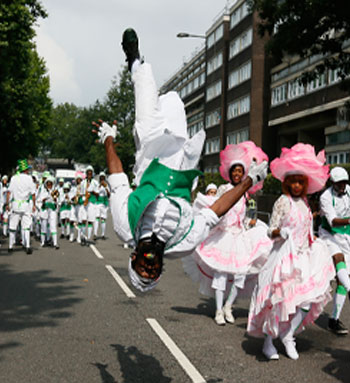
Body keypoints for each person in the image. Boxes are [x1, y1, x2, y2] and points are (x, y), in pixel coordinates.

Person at [95, 28, 268, 292]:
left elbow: (118, 180)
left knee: (146, 105)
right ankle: (141, 72)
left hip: (150, 157)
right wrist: (248, 182)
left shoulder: (125, 227)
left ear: (133, 258)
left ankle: (134, 63)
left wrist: (108, 139)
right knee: (174, 102)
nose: (150, 264)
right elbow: (215, 210)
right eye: (153, 271)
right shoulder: (184, 243)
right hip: (182, 160)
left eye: (143, 267)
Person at [247, 143, 335, 361]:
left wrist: (312, 241)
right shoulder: (282, 201)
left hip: (304, 257)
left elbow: (307, 229)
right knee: (278, 301)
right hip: (283, 259)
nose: (296, 185)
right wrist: (281, 232)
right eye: (293, 181)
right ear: (287, 183)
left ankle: (288, 336)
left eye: (300, 182)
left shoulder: (305, 203)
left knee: (308, 300)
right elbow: (270, 230)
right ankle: (268, 342)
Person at [184, 141, 272, 325]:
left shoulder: (246, 194)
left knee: (241, 273)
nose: (238, 174)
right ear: (230, 173)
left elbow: (246, 214)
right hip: (223, 236)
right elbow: (217, 207)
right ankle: (218, 310)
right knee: (221, 274)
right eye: (235, 171)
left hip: (239, 236)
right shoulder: (224, 189)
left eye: (241, 171)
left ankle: (228, 306)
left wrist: (250, 222)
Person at [318, 167, 350, 335]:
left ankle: (334, 320)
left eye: (344, 182)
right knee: (339, 259)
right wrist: (348, 220)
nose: (342, 185)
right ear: (333, 182)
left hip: (345, 237)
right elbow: (332, 221)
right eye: (339, 183)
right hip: (328, 235)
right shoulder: (325, 197)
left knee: (342, 280)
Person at [6, 159, 36, 254]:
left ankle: (10, 246)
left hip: (15, 204)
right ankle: (27, 246)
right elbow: (33, 193)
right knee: (26, 226)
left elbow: (9, 192)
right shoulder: (29, 179)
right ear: (26, 169)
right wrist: (34, 205)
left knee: (12, 226)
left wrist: (7, 204)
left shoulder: (14, 178)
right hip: (26, 205)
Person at [38, 176, 60, 249]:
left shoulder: (55, 191)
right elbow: (40, 199)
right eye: (48, 184)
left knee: (53, 225)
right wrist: (47, 196)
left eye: (51, 184)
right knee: (43, 226)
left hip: (52, 209)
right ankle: (43, 242)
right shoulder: (43, 191)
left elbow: (58, 201)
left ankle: (55, 243)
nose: (49, 185)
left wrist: (55, 199)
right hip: (44, 209)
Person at [95, 172, 110, 239]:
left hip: (104, 204)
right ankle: (95, 233)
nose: (102, 178)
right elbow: (96, 194)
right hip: (98, 203)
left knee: (103, 219)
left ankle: (103, 234)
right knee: (97, 218)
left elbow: (109, 195)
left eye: (103, 177)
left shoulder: (107, 185)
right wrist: (99, 186)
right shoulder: (97, 185)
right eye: (101, 177)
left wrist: (105, 188)